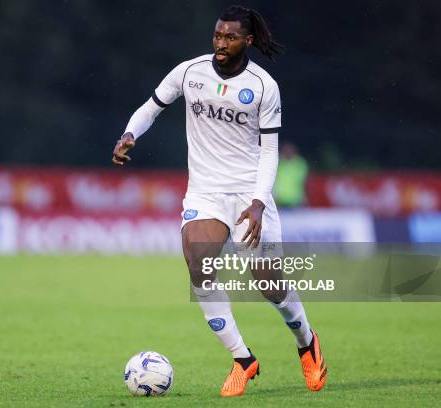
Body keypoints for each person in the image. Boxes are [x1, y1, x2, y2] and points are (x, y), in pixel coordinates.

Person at [111, 5, 326, 397]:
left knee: (269, 284)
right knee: (199, 266)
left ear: (248, 40)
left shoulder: (263, 86)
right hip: (205, 191)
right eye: (217, 35)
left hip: (249, 192)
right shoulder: (189, 72)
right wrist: (129, 135)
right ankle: (243, 359)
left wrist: (260, 201)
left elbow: (269, 151)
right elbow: (151, 107)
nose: (221, 43)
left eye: (229, 37)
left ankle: (307, 342)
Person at [274, 142, 309, 207]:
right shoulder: (277, 163)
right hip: (279, 201)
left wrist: (305, 199)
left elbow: (305, 182)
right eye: (286, 149)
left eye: (290, 149)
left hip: (296, 201)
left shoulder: (300, 163)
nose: (288, 151)